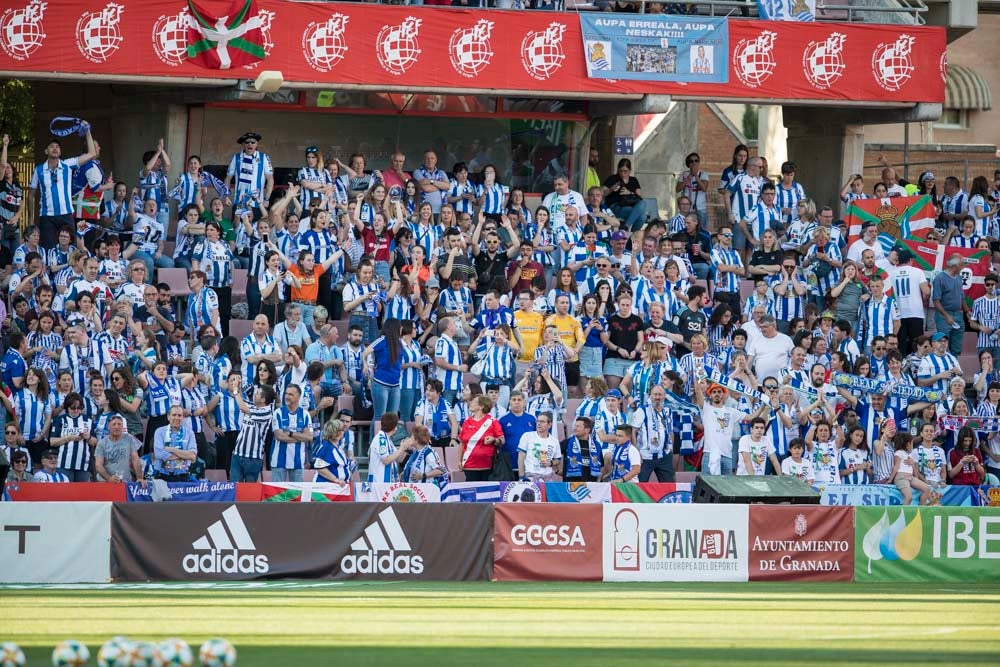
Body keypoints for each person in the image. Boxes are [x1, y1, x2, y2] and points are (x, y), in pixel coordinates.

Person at [32, 129, 98, 249]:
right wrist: (31, 220)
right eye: (52, 146)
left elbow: (92, 154)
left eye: (57, 146)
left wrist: (88, 131)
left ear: (60, 151)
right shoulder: (39, 170)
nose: (55, 148)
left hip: (66, 214)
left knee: (70, 250)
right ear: (46, 151)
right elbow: (31, 195)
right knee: (48, 250)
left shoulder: (67, 164)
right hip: (47, 216)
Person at [229, 375, 275, 482]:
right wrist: (238, 386)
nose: (254, 394)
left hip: (253, 458)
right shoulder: (252, 406)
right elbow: (241, 400)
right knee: (235, 489)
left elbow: (241, 406)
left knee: (249, 492)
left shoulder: (266, 412)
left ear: (263, 399)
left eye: (257, 393)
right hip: (237, 454)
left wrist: (236, 389)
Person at [630, 384, 674, 482]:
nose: (657, 397)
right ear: (650, 396)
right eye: (655, 394)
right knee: (640, 486)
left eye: (660, 394)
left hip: (664, 456)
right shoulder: (642, 410)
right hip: (645, 456)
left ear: (664, 396)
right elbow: (633, 431)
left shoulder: (668, 411)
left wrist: (671, 450)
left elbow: (670, 432)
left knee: (668, 487)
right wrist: (637, 453)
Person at [362, 318, 403, 423]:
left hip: (395, 384)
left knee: (393, 418)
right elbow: (366, 352)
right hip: (381, 383)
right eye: (399, 326)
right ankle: (374, 439)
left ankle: (388, 439)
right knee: (379, 417)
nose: (401, 329)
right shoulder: (382, 340)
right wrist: (365, 365)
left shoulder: (399, 342)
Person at [270, 384, 313, 482]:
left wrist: (290, 434)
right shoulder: (278, 413)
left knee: (297, 495)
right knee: (278, 495)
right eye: (286, 394)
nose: (286, 396)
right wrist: (301, 436)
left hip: (298, 462)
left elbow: (309, 437)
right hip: (279, 461)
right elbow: (279, 436)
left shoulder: (305, 414)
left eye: (290, 394)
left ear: (298, 397)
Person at [459, 394, 504, 482]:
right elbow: (462, 443)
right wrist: (459, 461)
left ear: (481, 406)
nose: (471, 403)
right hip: (469, 464)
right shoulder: (466, 422)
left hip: (488, 465)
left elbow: (502, 440)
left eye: (474, 402)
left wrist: (494, 440)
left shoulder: (492, 421)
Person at [932, 253, 970, 357]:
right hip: (944, 316)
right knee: (943, 345)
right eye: (961, 265)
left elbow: (961, 296)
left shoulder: (958, 278)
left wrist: (967, 311)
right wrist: (946, 316)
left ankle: (955, 369)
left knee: (957, 346)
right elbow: (936, 300)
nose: (963, 267)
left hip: (958, 315)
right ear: (954, 266)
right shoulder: (939, 279)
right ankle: (945, 370)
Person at [50, 392, 92, 481]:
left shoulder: (88, 420)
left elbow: (95, 442)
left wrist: (88, 437)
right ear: (67, 407)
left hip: (83, 464)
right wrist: (68, 438)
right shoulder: (60, 420)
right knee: (65, 493)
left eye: (79, 408)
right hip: (64, 464)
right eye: (73, 408)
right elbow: (52, 442)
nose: (76, 410)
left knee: (82, 493)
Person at [151, 405, 197, 482]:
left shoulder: (190, 433)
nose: (177, 418)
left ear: (183, 417)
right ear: (168, 417)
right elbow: (159, 454)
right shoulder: (159, 432)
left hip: (182, 475)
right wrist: (184, 455)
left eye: (179, 415)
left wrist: (171, 449)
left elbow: (192, 456)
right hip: (162, 475)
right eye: (174, 415)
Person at [94, 414, 143, 483]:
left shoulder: (129, 439)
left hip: (124, 481)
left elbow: (135, 459)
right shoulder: (102, 443)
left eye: (119, 424)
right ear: (108, 427)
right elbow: (98, 465)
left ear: (122, 426)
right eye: (114, 424)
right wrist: (109, 478)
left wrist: (140, 478)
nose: (117, 427)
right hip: (105, 482)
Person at [516, 411, 562, 482]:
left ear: (549, 424)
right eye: (538, 421)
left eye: (542, 421)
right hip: (530, 477)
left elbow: (558, 460)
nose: (539, 424)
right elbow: (521, 457)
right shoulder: (527, 436)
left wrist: (551, 463)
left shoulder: (554, 441)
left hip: (547, 478)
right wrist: (521, 476)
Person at [367, 412, 408, 483]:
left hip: (387, 483)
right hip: (380, 483)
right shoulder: (381, 440)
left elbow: (399, 458)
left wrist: (405, 446)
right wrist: (401, 449)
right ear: (394, 427)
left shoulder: (388, 440)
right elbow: (386, 460)